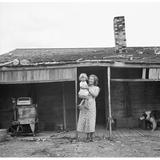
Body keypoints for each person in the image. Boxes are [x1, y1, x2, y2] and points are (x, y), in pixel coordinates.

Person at [77, 74, 100, 142]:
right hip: (84, 104)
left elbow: (95, 95)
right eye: (89, 78)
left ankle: (91, 137)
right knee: (86, 120)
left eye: (92, 79)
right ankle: (87, 137)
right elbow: (80, 95)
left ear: (94, 81)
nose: (90, 80)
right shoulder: (85, 86)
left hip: (91, 105)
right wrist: (82, 96)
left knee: (91, 120)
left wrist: (88, 89)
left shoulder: (96, 88)